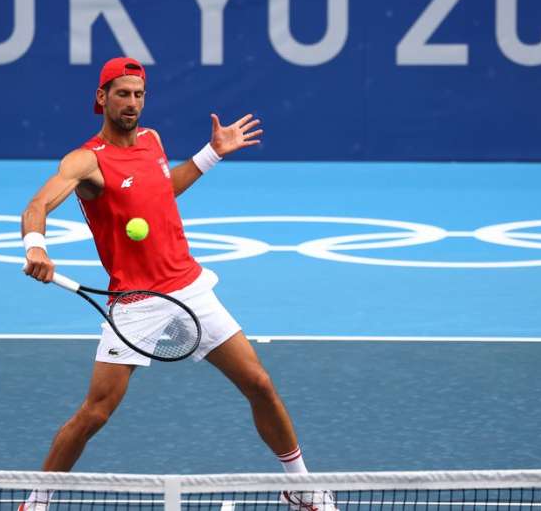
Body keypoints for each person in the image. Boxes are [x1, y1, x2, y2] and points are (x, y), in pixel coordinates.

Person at [19, 58, 336, 511]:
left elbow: (163, 190)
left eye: (138, 94)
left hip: (188, 287)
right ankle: (36, 501)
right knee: (95, 413)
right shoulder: (86, 161)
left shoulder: (151, 141)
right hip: (135, 303)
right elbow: (37, 205)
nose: (132, 103)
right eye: (122, 93)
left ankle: (300, 485)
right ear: (101, 98)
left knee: (259, 384)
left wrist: (210, 155)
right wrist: (36, 247)